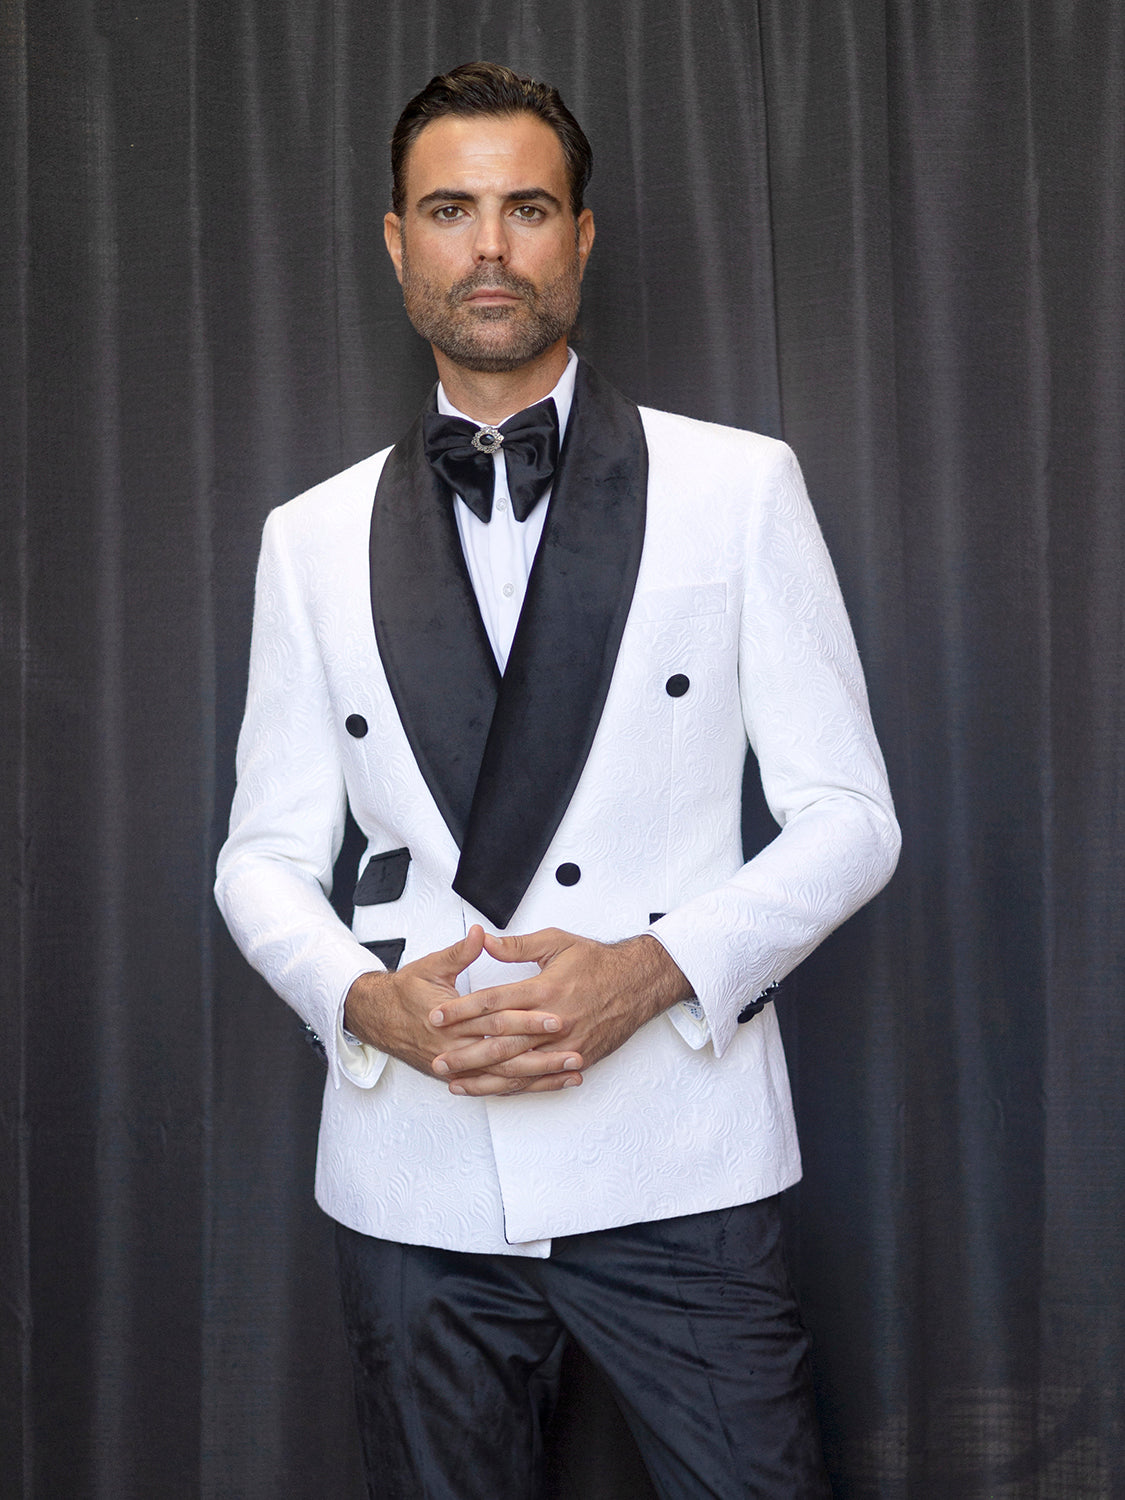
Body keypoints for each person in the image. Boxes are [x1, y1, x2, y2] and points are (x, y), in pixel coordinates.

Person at [215, 60, 900, 1500]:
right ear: (395, 242)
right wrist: (362, 1002)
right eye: (448, 210)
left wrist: (650, 970)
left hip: (682, 1163)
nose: (488, 246)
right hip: (416, 1163)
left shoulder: (739, 487)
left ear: (580, 236)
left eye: (526, 208)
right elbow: (262, 853)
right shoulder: (308, 535)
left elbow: (850, 820)